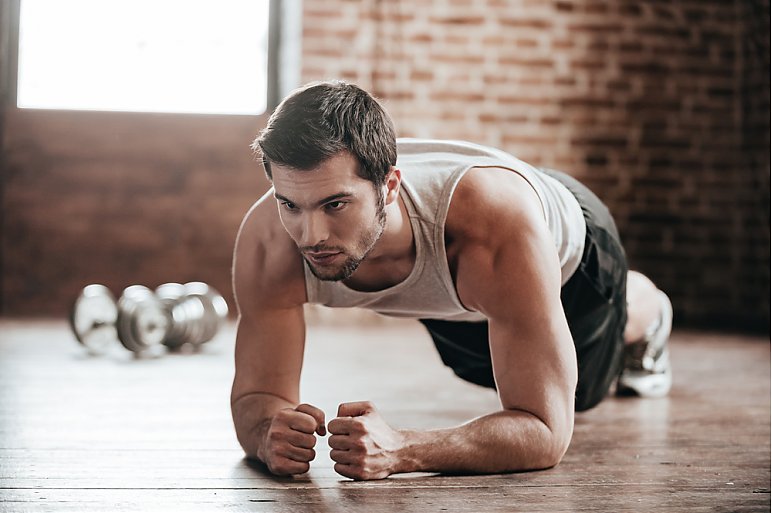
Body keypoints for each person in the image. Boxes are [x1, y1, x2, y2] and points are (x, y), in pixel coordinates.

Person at [230, 80, 673, 481]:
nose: (310, 236)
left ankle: (648, 309)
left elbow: (544, 431)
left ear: (389, 188)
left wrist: (402, 449)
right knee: (477, 367)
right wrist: (268, 433)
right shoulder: (269, 243)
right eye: (290, 205)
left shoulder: (492, 230)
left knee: (584, 390)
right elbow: (258, 395)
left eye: (335, 205)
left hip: (571, 251)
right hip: (458, 293)